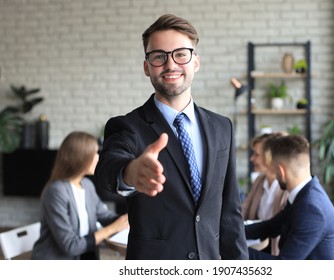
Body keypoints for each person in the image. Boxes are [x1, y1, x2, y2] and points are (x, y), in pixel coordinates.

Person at [94, 14, 248, 260]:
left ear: (195, 61)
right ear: (147, 67)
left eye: (181, 54)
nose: (170, 64)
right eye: (159, 56)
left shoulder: (222, 127)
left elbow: (230, 212)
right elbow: (108, 168)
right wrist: (130, 173)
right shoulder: (127, 126)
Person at [245, 135, 334, 259]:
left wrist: (234, 250)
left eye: (275, 170)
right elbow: (270, 227)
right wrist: (231, 232)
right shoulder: (304, 193)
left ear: (281, 171)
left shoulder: (311, 208)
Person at [31, 131, 129, 260]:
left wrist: (127, 219)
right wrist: (110, 229)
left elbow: (103, 215)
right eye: (94, 153)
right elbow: (71, 246)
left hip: (86, 257)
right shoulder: (56, 192)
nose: (98, 158)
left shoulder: (86, 185)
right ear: (80, 158)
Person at [241, 132, 289, 256]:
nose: (252, 159)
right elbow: (243, 210)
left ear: (270, 157)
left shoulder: (287, 188)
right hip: (255, 243)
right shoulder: (259, 181)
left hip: (275, 252)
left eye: (256, 154)